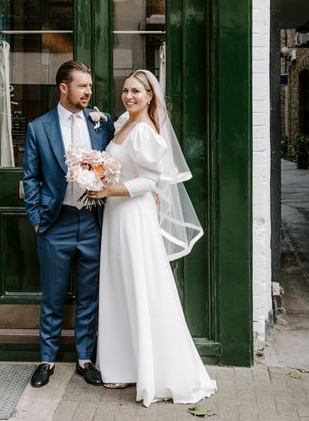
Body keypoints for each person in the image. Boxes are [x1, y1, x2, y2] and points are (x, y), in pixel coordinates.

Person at [88, 69, 217, 407]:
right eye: (126, 90)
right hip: (116, 215)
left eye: (136, 92)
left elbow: (150, 182)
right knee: (118, 284)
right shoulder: (121, 124)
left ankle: (152, 368)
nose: (129, 96)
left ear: (150, 97)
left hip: (133, 215)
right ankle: (121, 364)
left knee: (139, 284)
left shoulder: (146, 132)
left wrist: (106, 189)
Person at [23, 60, 114, 389]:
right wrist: (36, 220)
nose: (88, 92)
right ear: (64, 87)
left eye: (90, 86)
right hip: (54, 223)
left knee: (90, 295)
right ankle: (46, 360)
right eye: (82, 86)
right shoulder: (39, 127)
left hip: (92, 220)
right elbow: (30, 178)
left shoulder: (102, 124)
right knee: (53, 295)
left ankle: (85, 359)